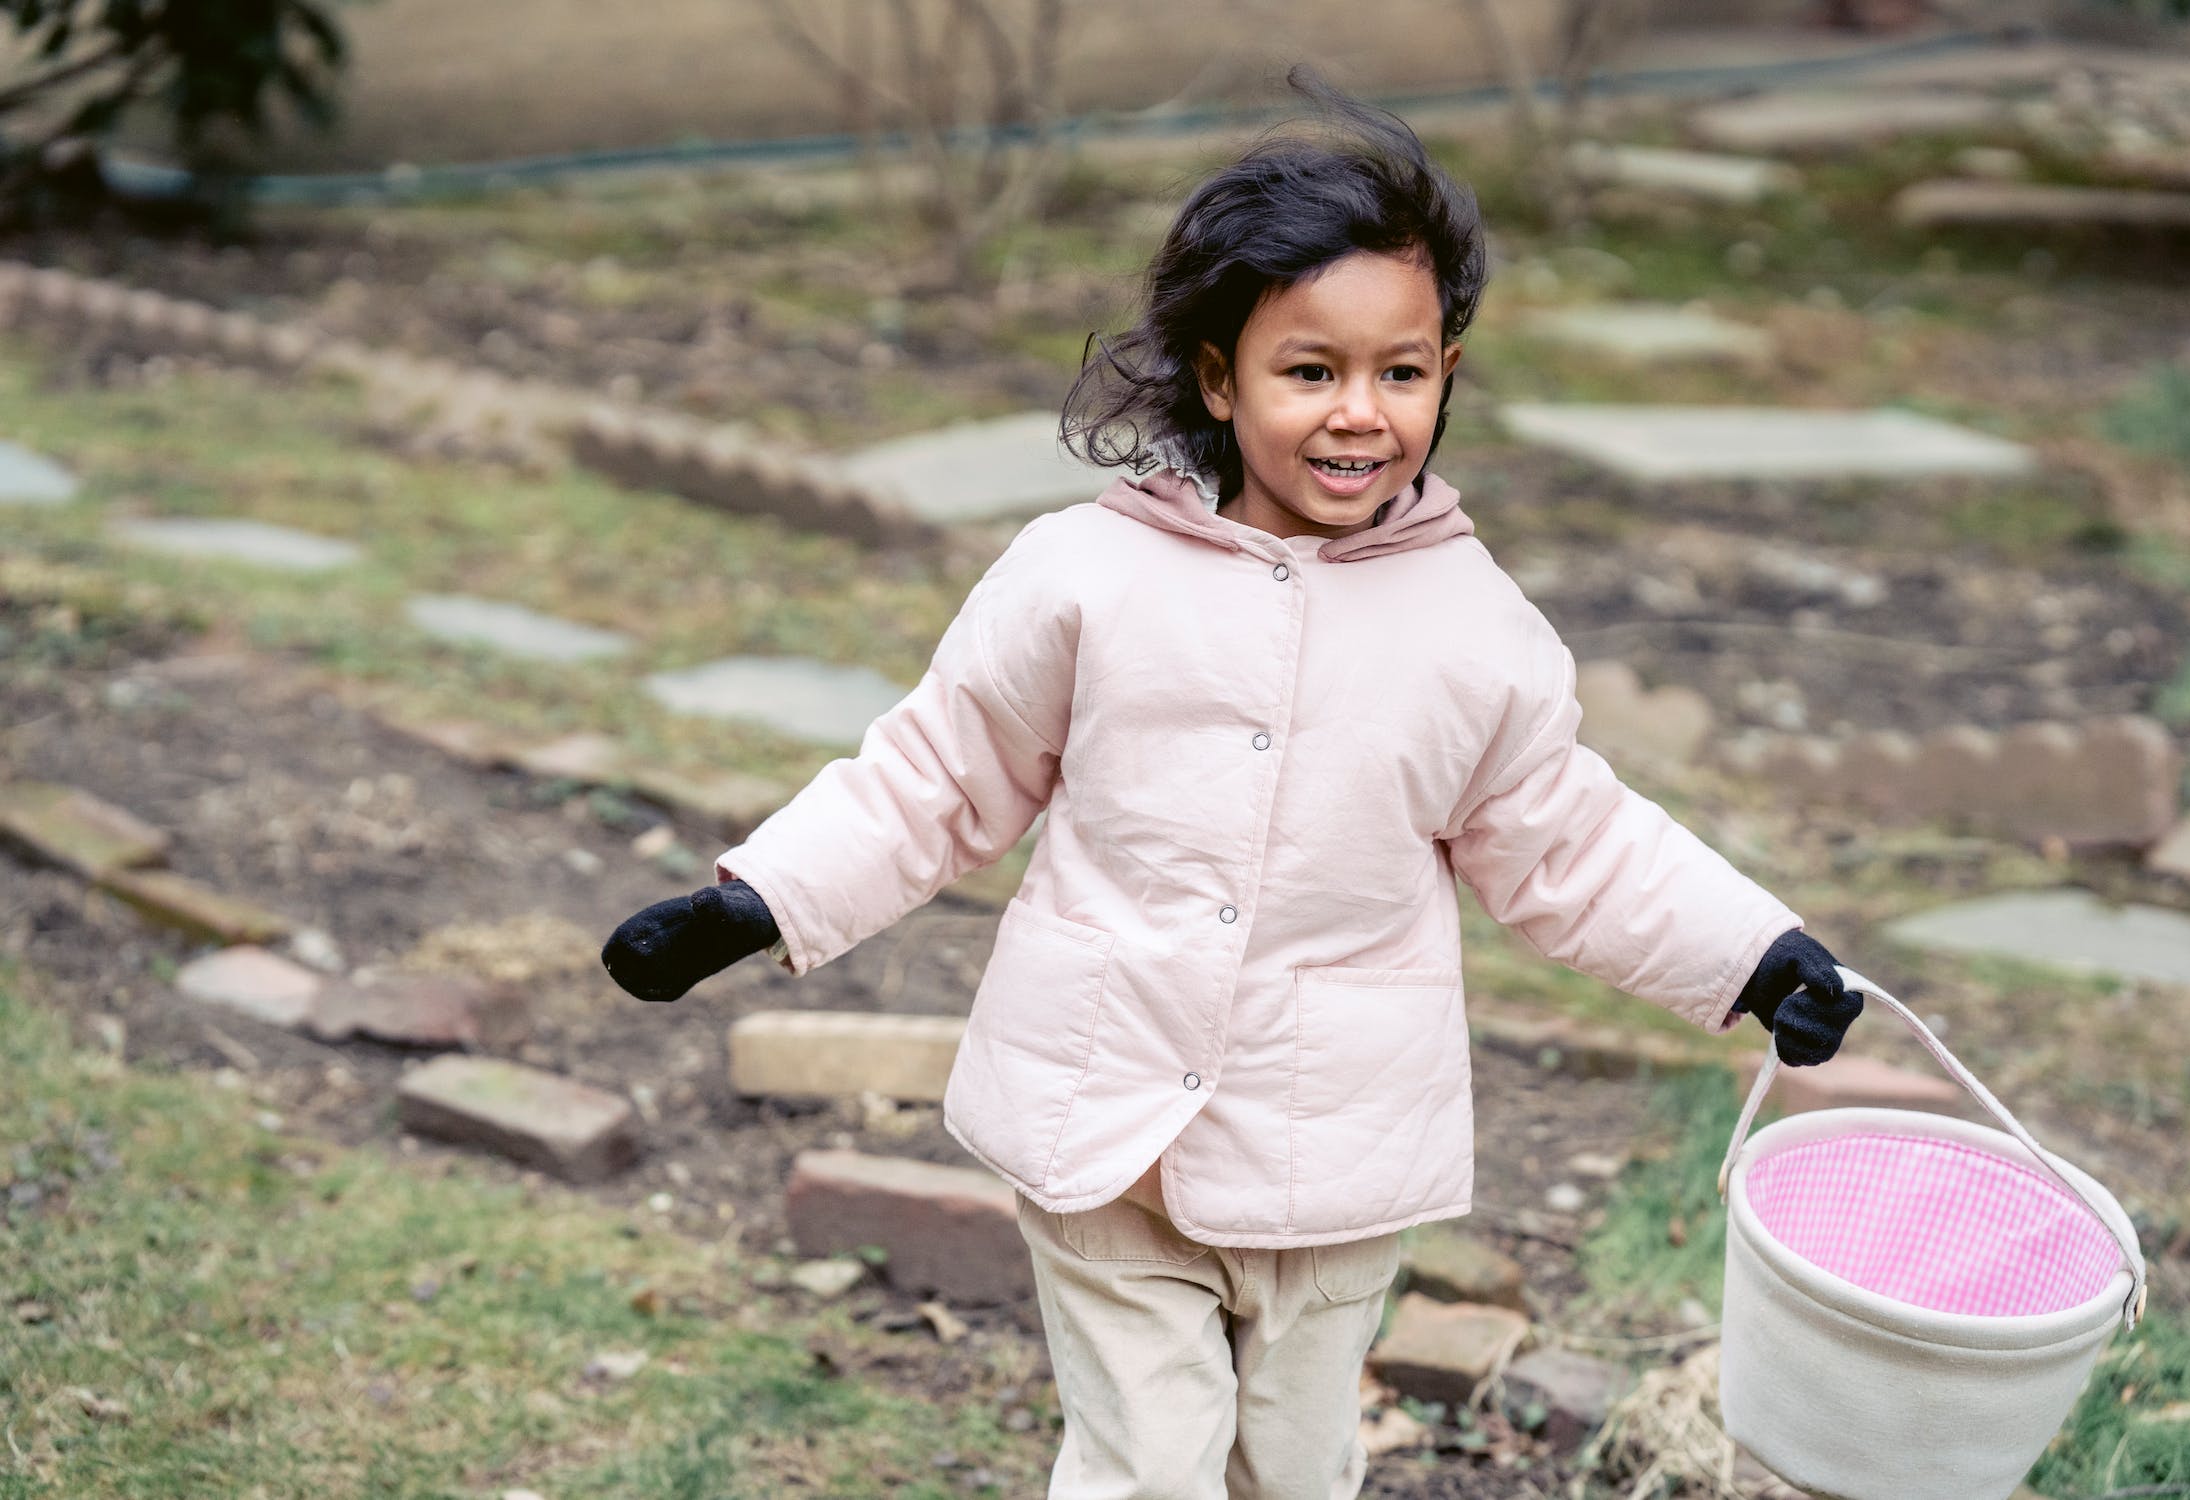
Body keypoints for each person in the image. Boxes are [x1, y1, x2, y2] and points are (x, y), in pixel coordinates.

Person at [601, 71, 1861, 1500]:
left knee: (1294, 1467)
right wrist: (754, 898)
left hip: (1334, 1160)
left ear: (1447, 369)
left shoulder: (1478, 635)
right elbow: (939, 771)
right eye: (1308, 371)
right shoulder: (1084, 577)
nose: (1358, 415)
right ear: (1219, 378)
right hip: (1102, 1133)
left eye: (1400, 372)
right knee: (1150, 1462)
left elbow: (1572, 842)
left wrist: (1754, 955)